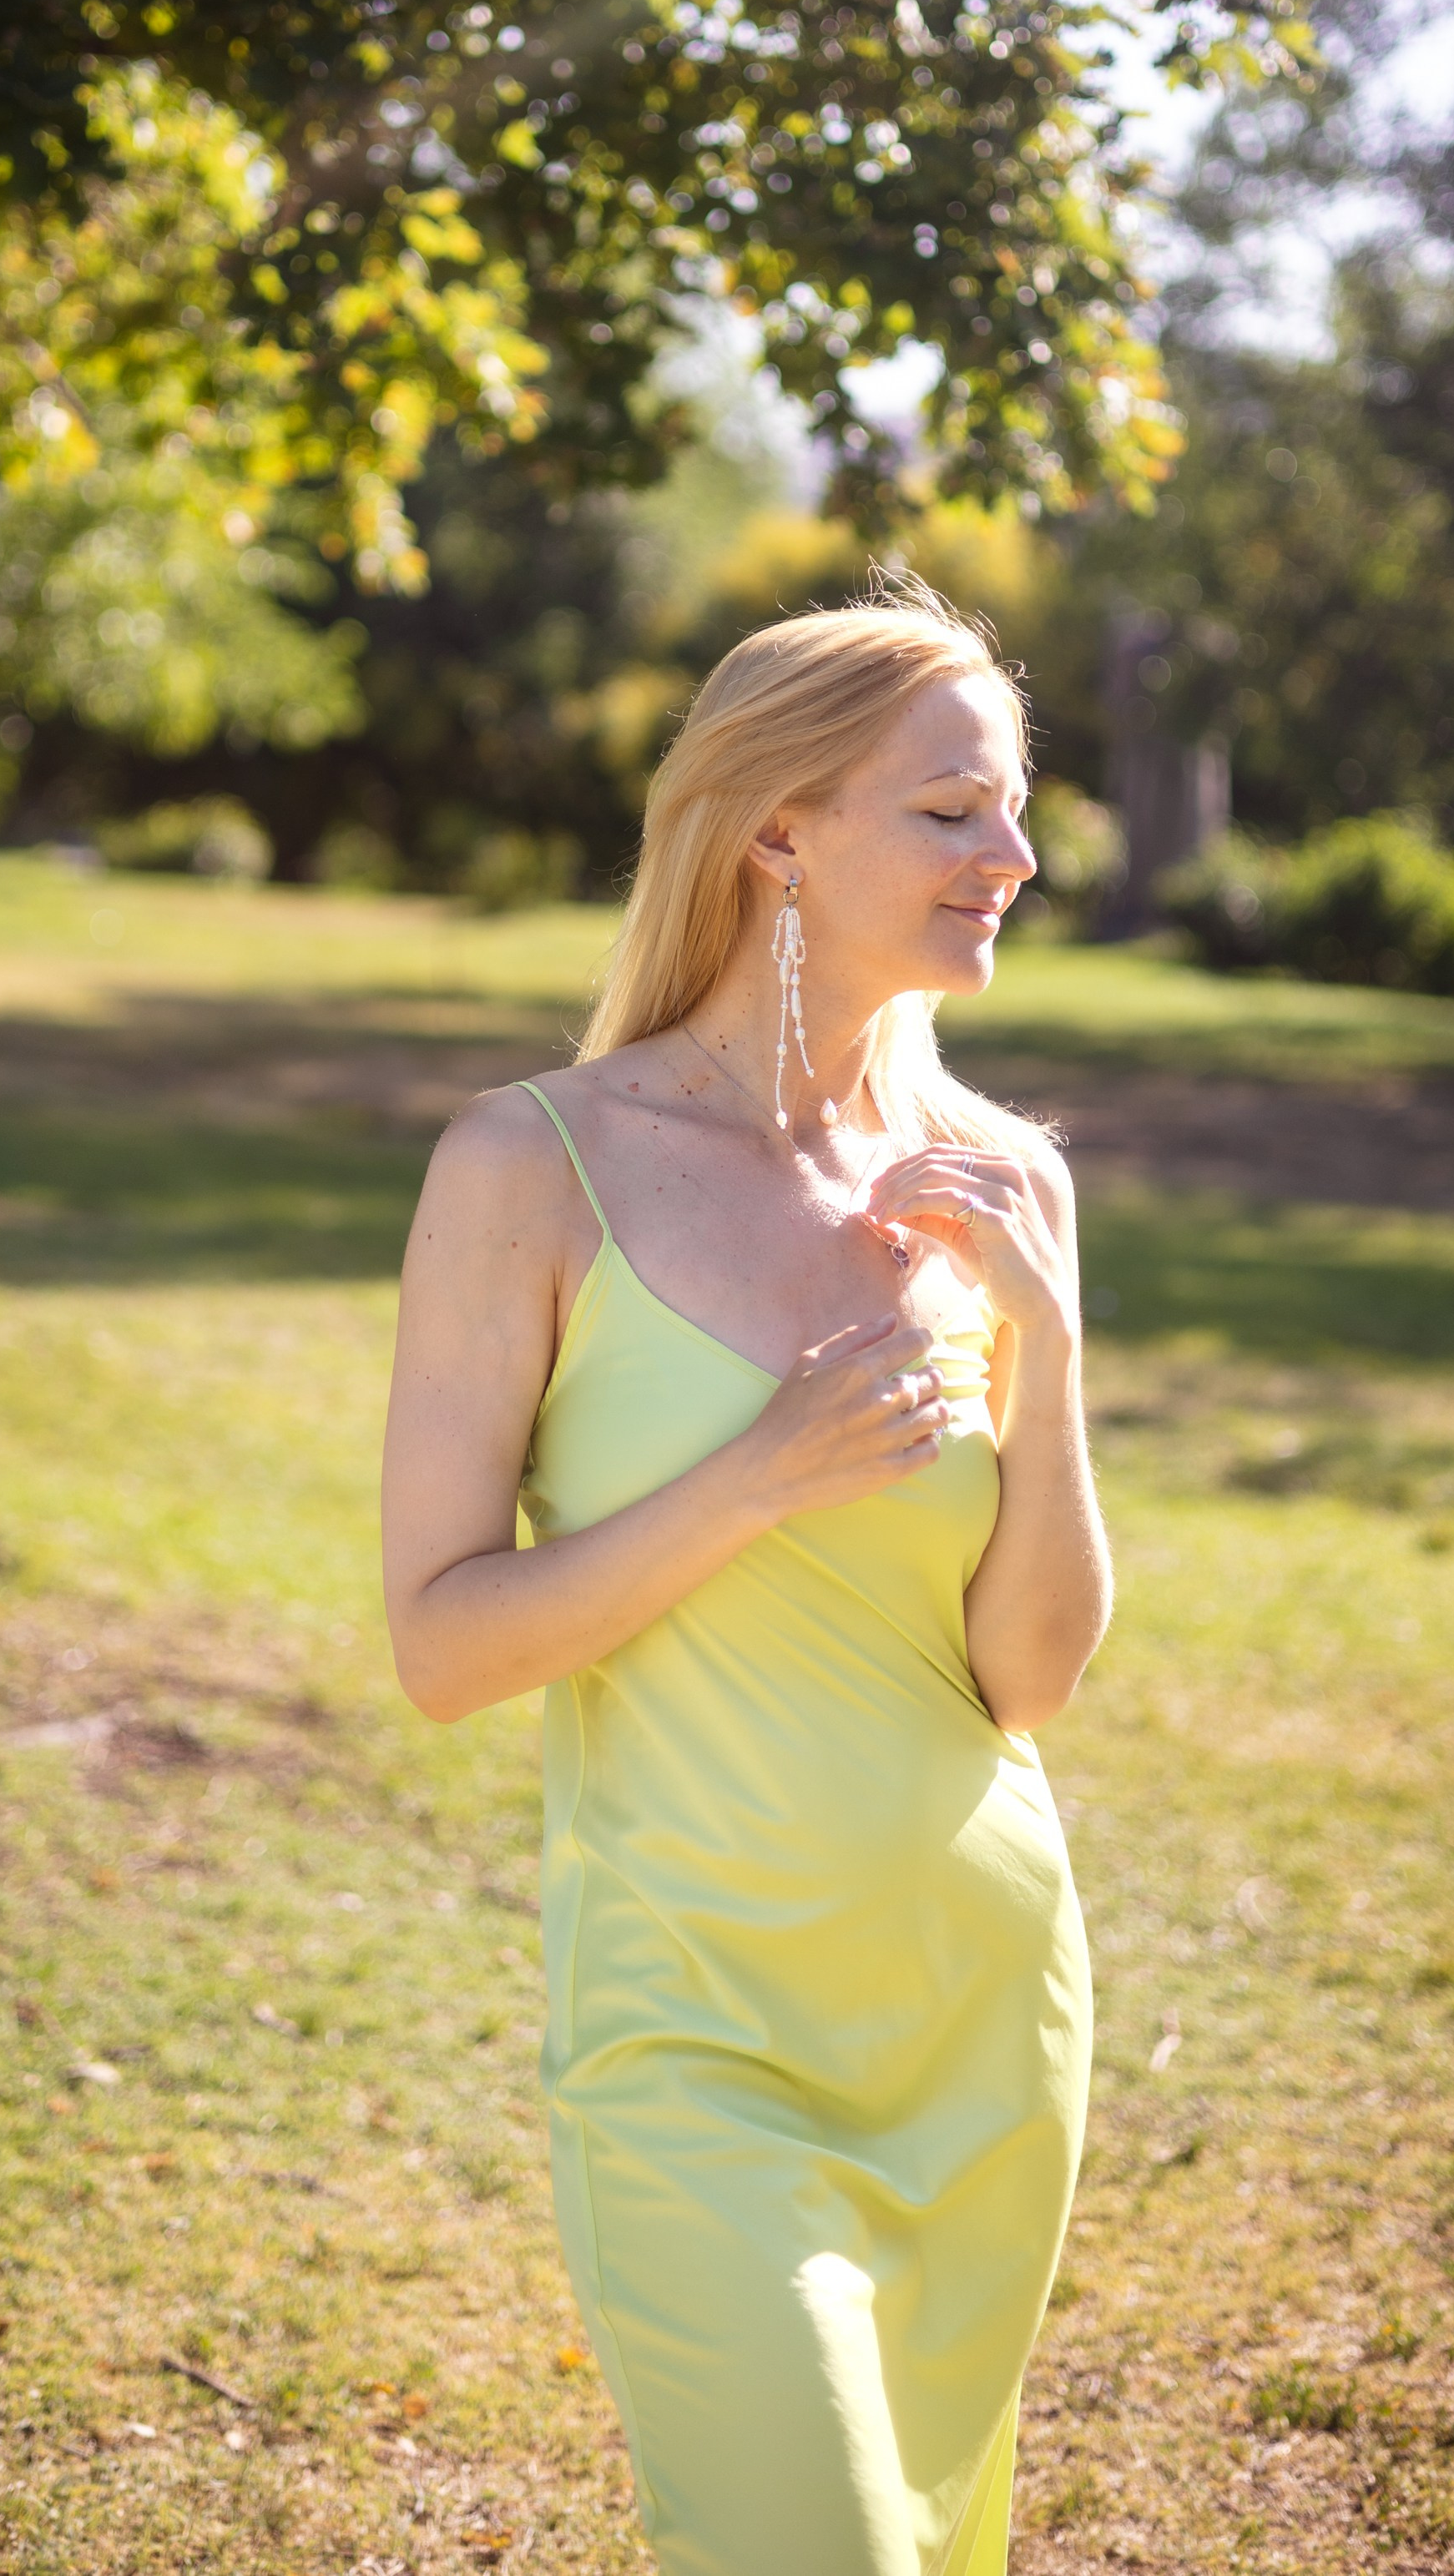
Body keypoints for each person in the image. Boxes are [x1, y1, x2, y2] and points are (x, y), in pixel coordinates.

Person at [381, 582, 1110, 2576]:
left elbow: (1031, 1676)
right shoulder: (531, 1168)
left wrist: (1048, 1359)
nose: (1015, 856)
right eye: (952, 811)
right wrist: (760, 1476)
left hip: (981, 2021)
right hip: (695, 2033)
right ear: (779, 830)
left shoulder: (1009, 1183)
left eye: (1014, 806)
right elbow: (443, 1647)